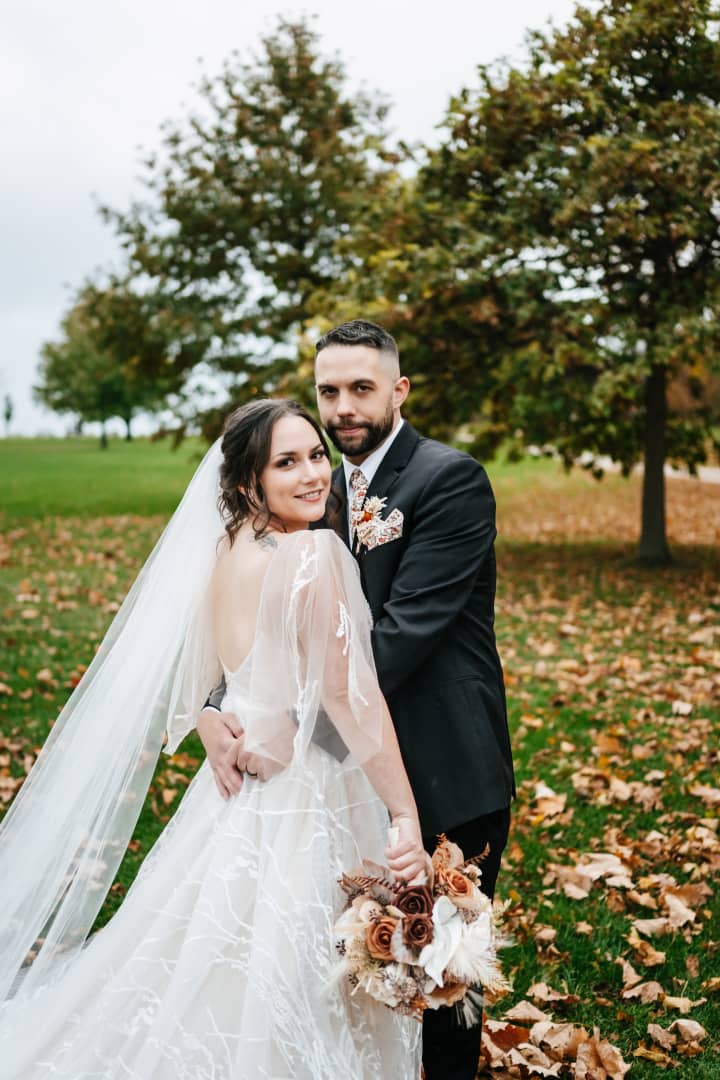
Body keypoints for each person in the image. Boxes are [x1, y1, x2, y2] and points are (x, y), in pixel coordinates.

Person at [0, 399, 426, 1079]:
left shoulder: (225, 548)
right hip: (305, 792)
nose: (314, 474)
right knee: (288, 964)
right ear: (246, 484)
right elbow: (351, 699)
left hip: (231, 790)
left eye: (316, 454)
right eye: (286, 463)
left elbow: (209, 677)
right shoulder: (313, 552)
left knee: (210, 942)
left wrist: (210, 718)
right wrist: (404, 814)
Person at [199, 320, 516, 1080]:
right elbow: (266, 624)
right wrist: (216, 707)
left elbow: (397, 639)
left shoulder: (450, 480)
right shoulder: (311, 482)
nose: (342, 407)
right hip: (340, 778)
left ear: (398, 390)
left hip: (438, 761)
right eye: (328, 391)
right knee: (346, 969)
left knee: (438, 972)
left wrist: (285, 723)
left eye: (361, 388)